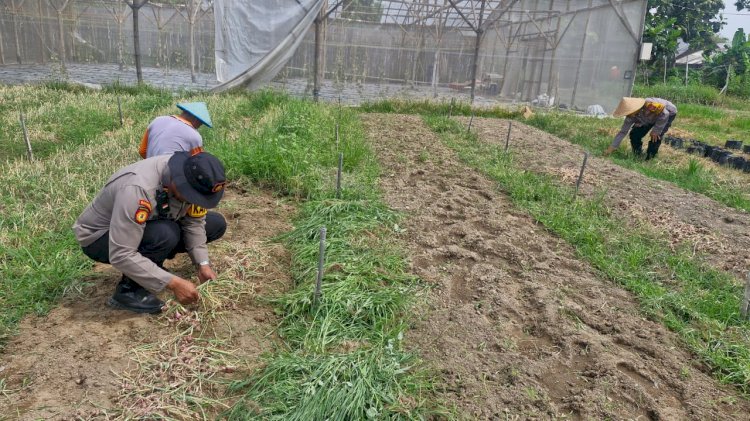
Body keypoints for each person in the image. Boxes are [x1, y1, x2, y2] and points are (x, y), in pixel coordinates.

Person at [73, 150, 228, 314]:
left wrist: (202, 264)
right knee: (166, 234)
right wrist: (173, 283)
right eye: (191, 196)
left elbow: (194, 221)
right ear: (179, 181)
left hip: (146, 225)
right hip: (101, 238)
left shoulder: (190, 176)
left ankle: (151, 266)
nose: (193, 201)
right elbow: (121, 254)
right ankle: (129, 291)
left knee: (214, 224)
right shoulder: (137, 189)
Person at [604, 97, 677, 160]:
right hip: (648, 117)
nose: (629, 115)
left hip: (667, 114)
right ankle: (638, 154)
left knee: (656, 136)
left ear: (634, 108)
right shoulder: (630, 116)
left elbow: (665, 114)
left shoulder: (649, 104)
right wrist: (612, 147)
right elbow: (623, 132)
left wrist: (656, 130)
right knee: (635, 134)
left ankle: (649, 158)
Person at [138, 102, 213, 159]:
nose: (199, 126)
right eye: (201, 123)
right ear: (196, 120)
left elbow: (142, 151)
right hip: (172, 176)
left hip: (149, 169)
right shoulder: (194, 135)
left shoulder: (157, 120)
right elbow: (198, 162)